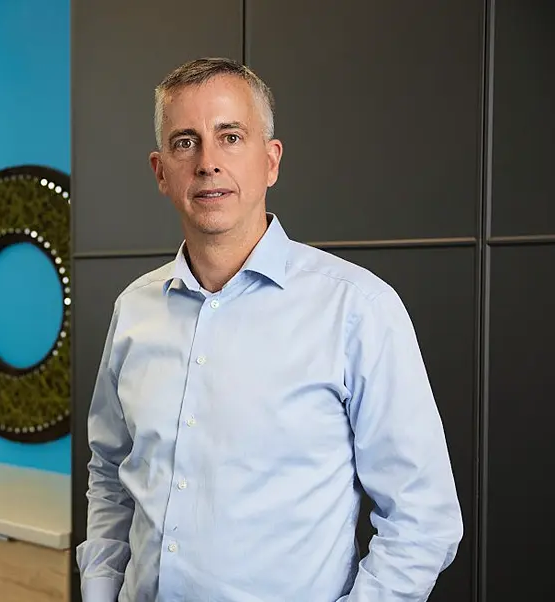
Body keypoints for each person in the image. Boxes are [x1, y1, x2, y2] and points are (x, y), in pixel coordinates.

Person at [76, 57, 464, 602]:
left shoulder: (357, 309)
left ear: (271, 160)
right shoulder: (134, 311)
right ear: (161, 171)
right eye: (185, 142)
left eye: (230, 136)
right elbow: (111, 476)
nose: (208, 162)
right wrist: (99, 590)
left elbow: (423, 519)